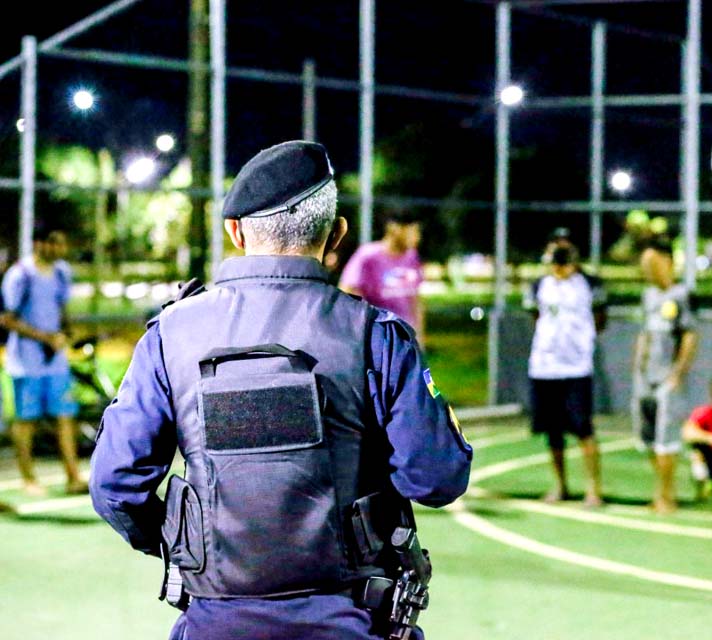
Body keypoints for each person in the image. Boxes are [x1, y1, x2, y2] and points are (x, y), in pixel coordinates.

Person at [89, 141, 472, 640]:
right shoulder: (375, 335)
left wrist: (188, 547)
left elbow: (115, 485)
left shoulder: (170, 334)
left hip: (216, 622)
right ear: (337, 233)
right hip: (353, 621)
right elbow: (436, 478)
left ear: (234, 231)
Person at [524, 229, 607, 507]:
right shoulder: (539, 284)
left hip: (576, 367)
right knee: (553, 431)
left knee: (583, 428)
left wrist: (582, 343)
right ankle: (560, 485)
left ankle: (593, 488)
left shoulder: (590, 284)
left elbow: (601, 317)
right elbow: (535, 316)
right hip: (545, 367)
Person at [1, 228, 84, 496]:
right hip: (26, 361)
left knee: (65, 416)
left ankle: (73, 476)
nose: (60, 249)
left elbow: (61, 308)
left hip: (55, 360)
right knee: (27, 420)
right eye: (54, 243)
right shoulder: (20, 275)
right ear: (39, 243)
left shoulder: (61, 273)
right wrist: (45, 337)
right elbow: (7, 319)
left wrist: (66, 333)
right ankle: (28, 478)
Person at [632, 236, 698, 514]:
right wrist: (637, 365)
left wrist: (678, 373)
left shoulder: (682, 295)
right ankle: (658, 490)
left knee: (666, 438)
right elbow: (645, 332)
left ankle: (667, 494)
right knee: (647, 438)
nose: (647, 269)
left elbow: (689, 336)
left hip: (666, 376)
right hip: (645, 377)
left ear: (667, 261)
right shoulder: (648, 296)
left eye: (651, 263)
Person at [339, 208, 425, 338]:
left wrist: (419, 338)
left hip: (404, 338)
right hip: (376, 337)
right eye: (413, 231)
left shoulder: (412, 257)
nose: (417, 237)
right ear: (395, 228)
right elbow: (348, 292)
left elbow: (415, 300)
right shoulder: (368, 256)